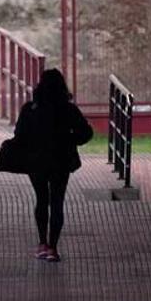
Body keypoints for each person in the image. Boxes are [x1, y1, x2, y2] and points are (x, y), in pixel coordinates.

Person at [14, 68, 93, 262]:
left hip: (36, 162)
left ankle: (41, 243)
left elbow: (19, 135)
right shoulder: (68, 109)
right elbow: (86, 133)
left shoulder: (30, 109)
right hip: (61, 161)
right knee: (57, 202)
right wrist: (70, 140)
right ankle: (53, 248)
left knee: (41, 200)